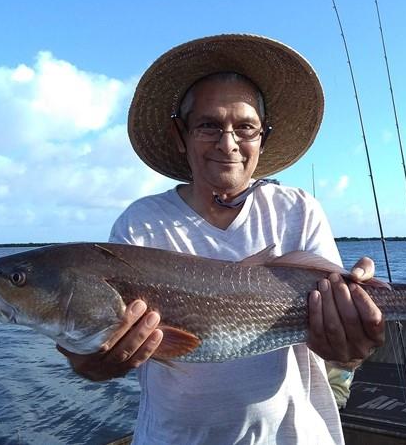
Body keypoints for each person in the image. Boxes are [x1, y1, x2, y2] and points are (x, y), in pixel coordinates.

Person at [58, 34, 385, 445]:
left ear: (262, 137)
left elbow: (343, 353)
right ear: (181, 135)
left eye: (245, 127)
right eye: (209, 125)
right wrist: (92, 364)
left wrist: (353, 340)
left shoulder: (298, 209)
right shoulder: (140, 224)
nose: (227, 143)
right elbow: (101, 357)